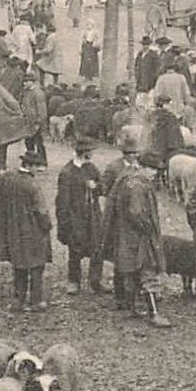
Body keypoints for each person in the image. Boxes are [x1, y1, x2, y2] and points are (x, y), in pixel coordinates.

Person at [108, 148, 171, 327]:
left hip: (127, 237)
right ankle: (154, 314)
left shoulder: (128, 180)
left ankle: (132, 308)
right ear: (144, 168)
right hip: (139, 239)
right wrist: (148, 228)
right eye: (153, 170)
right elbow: (135, 212)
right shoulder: (138, 186)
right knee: (148, 272)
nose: (155, 175)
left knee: (133, 273)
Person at [0, 147, 53, 311]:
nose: (37, 169)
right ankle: (36, 301)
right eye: (36, 166)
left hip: (12, 228)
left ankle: (18, 300)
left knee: (19, 264)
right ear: (29, 166)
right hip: (32, 229)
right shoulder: (31, 184)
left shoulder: (7, 177)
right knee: (37, 264)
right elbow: (41, 210)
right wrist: (47, 226)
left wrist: (3, 205)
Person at [56, 137, 106, 295]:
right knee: (75, 248)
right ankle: (74, 281)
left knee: (97, 247)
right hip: (76, 216)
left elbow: (103, 189)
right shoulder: (67, 172)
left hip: (93, 215)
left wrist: (96, 187)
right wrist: (64, 222)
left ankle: (95, 281)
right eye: (90, 151)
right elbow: (62, 201)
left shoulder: (91, 168)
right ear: (84, 153)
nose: (92, 154)